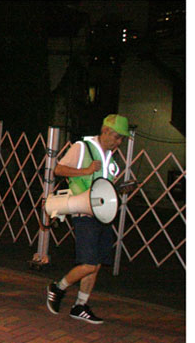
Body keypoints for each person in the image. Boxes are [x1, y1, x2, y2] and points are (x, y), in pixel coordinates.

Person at [46, 114, 132, 324]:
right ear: (105, 131)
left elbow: (104, 188)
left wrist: (119, 190)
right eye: (117, 137)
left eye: (121, 138)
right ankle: (58, 288)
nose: (119, 142)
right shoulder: (82, 147)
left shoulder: (109, 158)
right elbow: (58, 169)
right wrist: (86, 170)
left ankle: (80, 305)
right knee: (89, 264)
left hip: (102, 214)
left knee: (97, 264)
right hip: (83, 213)